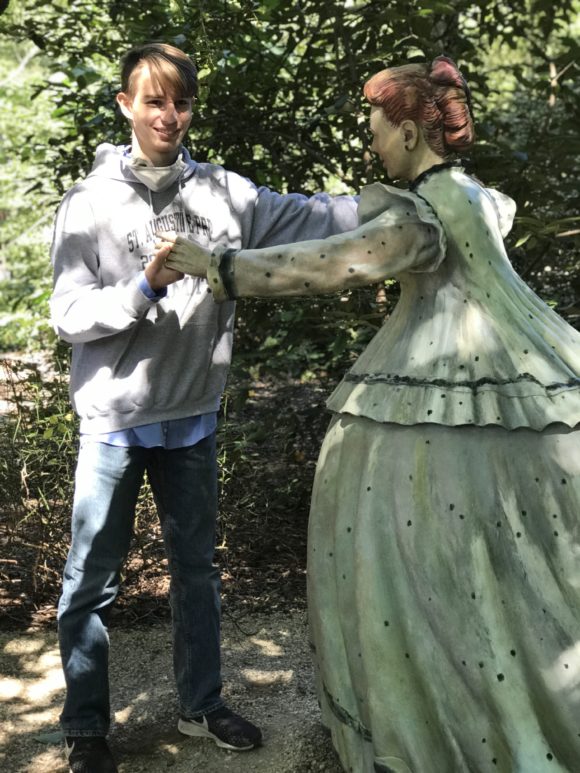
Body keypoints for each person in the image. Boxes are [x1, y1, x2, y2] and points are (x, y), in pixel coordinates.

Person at [160, 57, 580, 772]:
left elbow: (332, 262)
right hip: (532, 367)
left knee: (434, 557)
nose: (372, 144)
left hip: (453, 382)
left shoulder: (423, 214)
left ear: (413, 134)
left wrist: (217, 266)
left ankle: (450, 733)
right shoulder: (476, 197)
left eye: (379, 128)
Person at [49, 41, 359, 773]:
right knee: (91, 580)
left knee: (197, 572)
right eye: (154, 100)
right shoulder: (89, 203)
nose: (170, 115)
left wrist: (402, 195)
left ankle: (202, 704)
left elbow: (308, 216)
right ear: (126, 105)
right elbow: (68, 314)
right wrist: (143, 288)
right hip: (114, 424)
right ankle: (86, 727)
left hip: (193, 417)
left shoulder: (225, 193)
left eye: (181, 101)